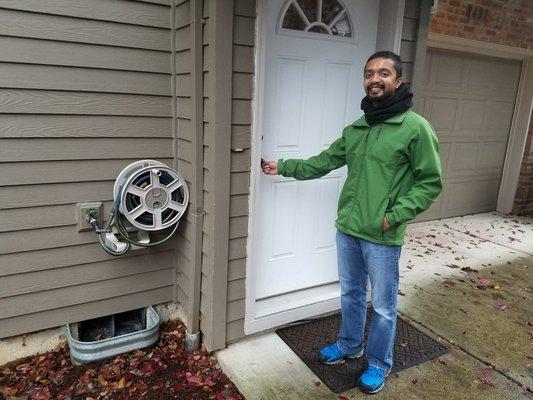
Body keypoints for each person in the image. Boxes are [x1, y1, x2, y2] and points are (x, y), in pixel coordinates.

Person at [261, 51, 443, 394]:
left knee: (385, 306)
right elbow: (324, 161)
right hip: (348, 229)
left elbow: (430, 182)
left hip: (382, 236)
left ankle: (378, 363)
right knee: (352, 294)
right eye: (369, 73)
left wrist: (394, 217)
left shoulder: (415, 129)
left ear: (398, 80)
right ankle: (349, 345)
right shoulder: (357, 129)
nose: (375, 79)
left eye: (384, 73)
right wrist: (282, 167)